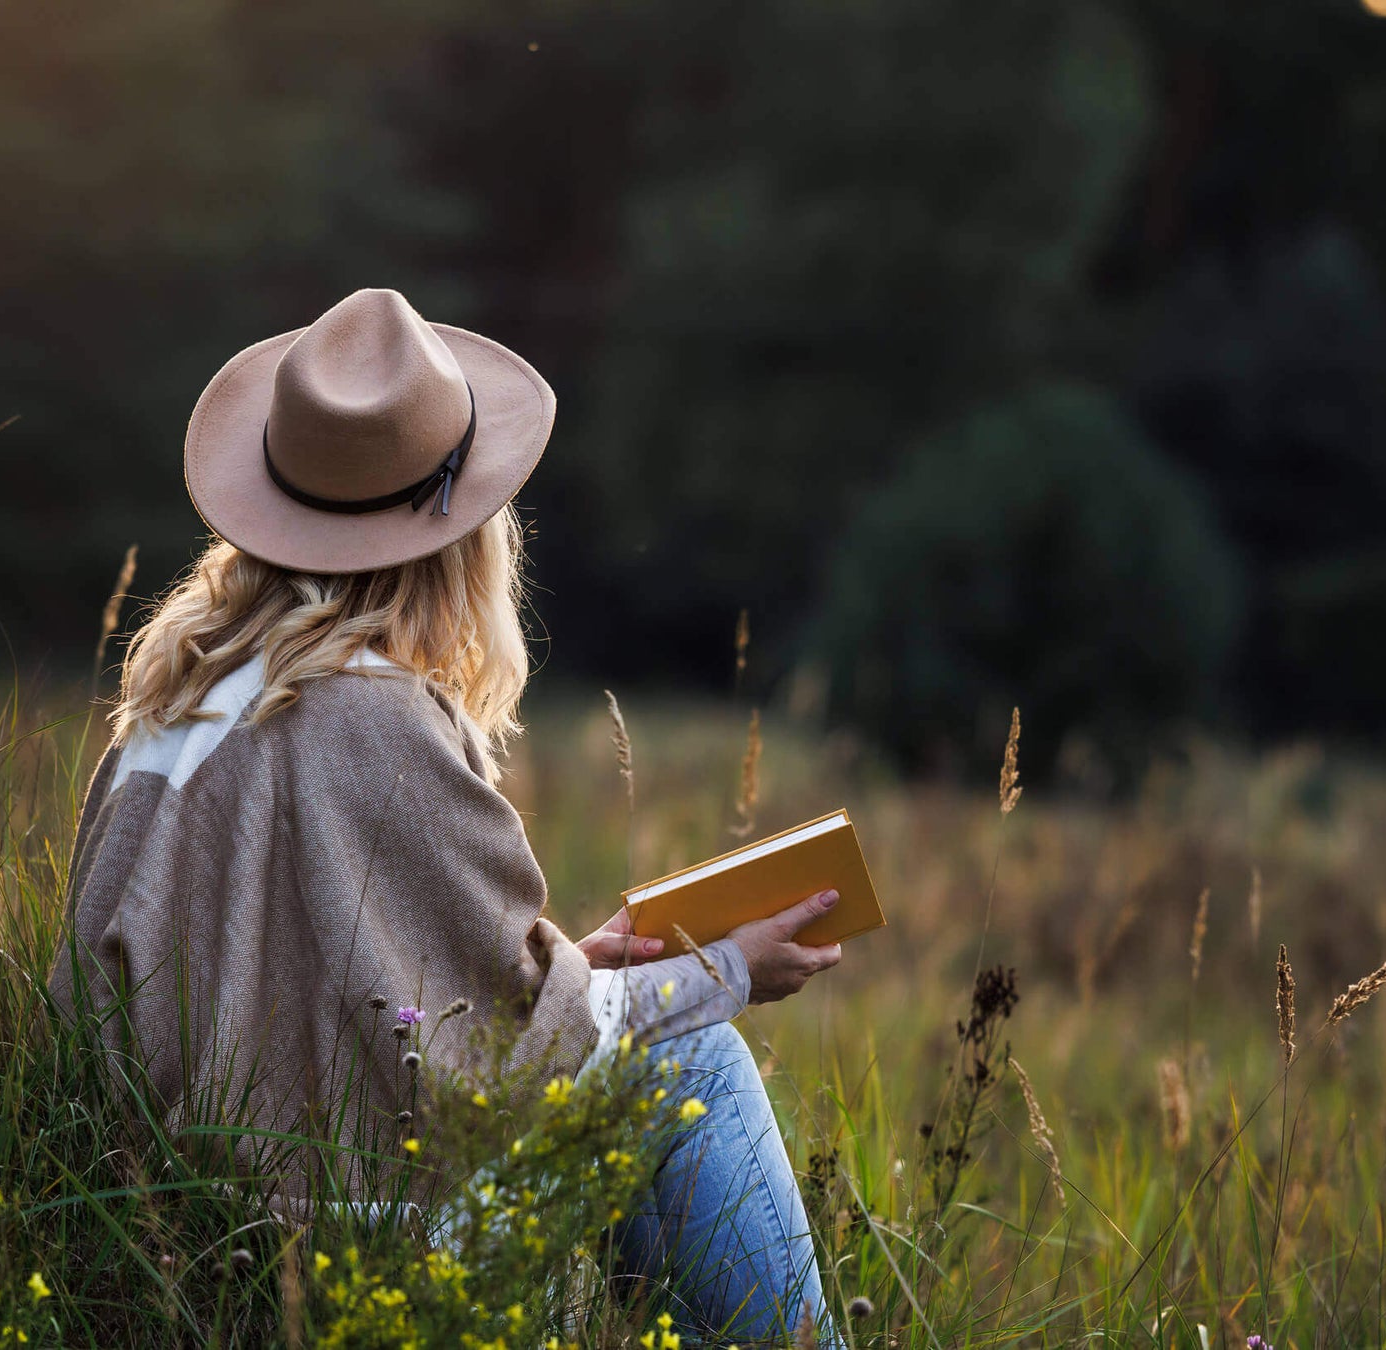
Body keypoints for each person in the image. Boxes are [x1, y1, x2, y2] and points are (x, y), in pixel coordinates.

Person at [49, 288, 844, 1342]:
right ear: (460, 540)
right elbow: (514, 1059)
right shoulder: (372, 716)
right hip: (344, 1242)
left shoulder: (169, 708)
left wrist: (573, 971)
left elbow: (360, 989)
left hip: (166, 1226)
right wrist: (732, 971)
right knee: (696, 1059)